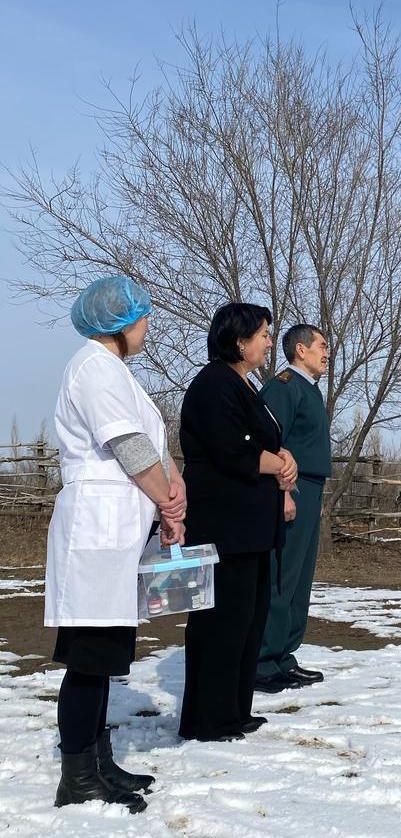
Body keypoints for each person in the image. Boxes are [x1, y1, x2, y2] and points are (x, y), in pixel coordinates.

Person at [45, 276, 186, 813]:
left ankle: (99, 762)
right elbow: (127, 445)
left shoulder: (116, 371)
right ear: (120, 322)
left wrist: (174, 492)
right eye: (143, 317)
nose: (148, 326)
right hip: (95, 530)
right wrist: (169, 504)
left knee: (105, 657)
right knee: (89, 659)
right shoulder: (93, 368)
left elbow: (152, 442)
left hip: (120, 530)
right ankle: (77, 775)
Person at [177, 303, 297, 742]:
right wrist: (278, 465)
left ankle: (234, 709)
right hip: (224, 527)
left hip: (251, 528)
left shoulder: (244, 384)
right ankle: (208, 719)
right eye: (263, 334)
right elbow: (232, 448)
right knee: (222, 622)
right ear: (239, 341)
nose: (269, 342)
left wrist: (284, 459)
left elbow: (266, 441)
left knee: (248, 619)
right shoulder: (213, 384)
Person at [255, 324, 332, 693]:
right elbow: (270, 443)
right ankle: (262, 661)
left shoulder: (309, 389)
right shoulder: (284, 387)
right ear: (301, 350)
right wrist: (284, 493)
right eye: (322, 345)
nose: (327, 352)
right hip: (291, 488)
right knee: (281, 576)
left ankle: (284, 656)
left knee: (299, 579)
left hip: (310, 490)